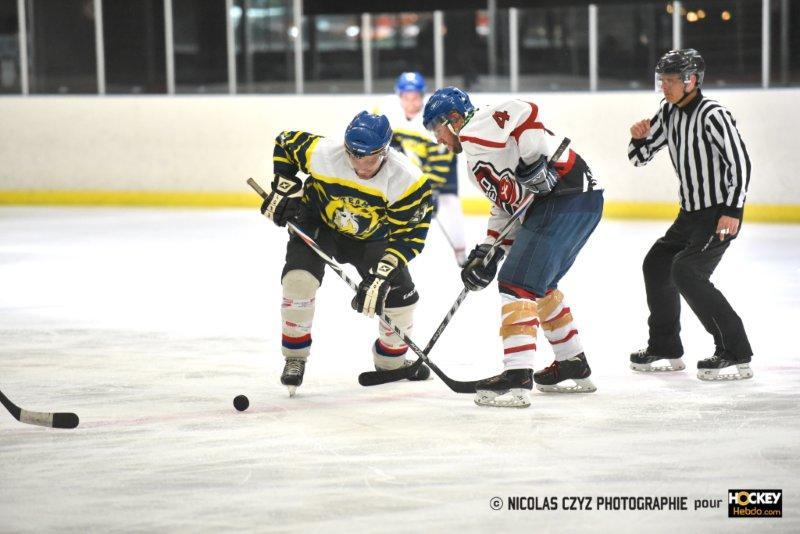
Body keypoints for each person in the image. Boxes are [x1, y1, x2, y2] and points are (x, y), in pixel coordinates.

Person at [423, 87, 604, 408]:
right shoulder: (474, 160)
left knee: (516, 283)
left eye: (436, 130)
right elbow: (507, 208)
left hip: (566, 193)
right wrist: (487, 251)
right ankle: (572, 362)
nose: (438, 139)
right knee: (540, 285)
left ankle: (517, 376)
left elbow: (525, 110)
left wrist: (535, 160)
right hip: (581, 199)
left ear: (452, 120)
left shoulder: (478, 124)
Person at [260, 111, 433, 396]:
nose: (360, 166)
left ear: (385, 150)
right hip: (318, 225)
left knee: (401, 299)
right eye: (354, 156)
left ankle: (392, 363)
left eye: (370, 158)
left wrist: (382, 275)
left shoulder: (407, 181)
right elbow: (286, 143)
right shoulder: (325, 154)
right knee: (298, 281)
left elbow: (409, 237)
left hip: (372, 239)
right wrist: (284, 190)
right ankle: (295, 357)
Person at [627, 49, 753, 381]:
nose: (665, 87)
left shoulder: (713, 114)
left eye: (672, 81)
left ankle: (735, 351)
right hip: (689, 215)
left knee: (687, 272)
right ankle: (666, 347)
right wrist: (637, 138)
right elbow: (640, 158)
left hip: (718, 214)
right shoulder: (668, 112)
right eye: (663, 80)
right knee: (657, 263)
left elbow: (739, 162)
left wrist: (732, 210)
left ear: (691, 81)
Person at [376, 72, 468, 266]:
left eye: (415, 97)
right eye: (406, 97)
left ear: (422, 96)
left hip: (440, 165)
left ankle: (461, 252)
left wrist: (431, 189)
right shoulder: (386, 110)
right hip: (413, 165)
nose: (411, 102)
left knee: (449, 204)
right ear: (399, 96)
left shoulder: (432, 117)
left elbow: (442, 156)